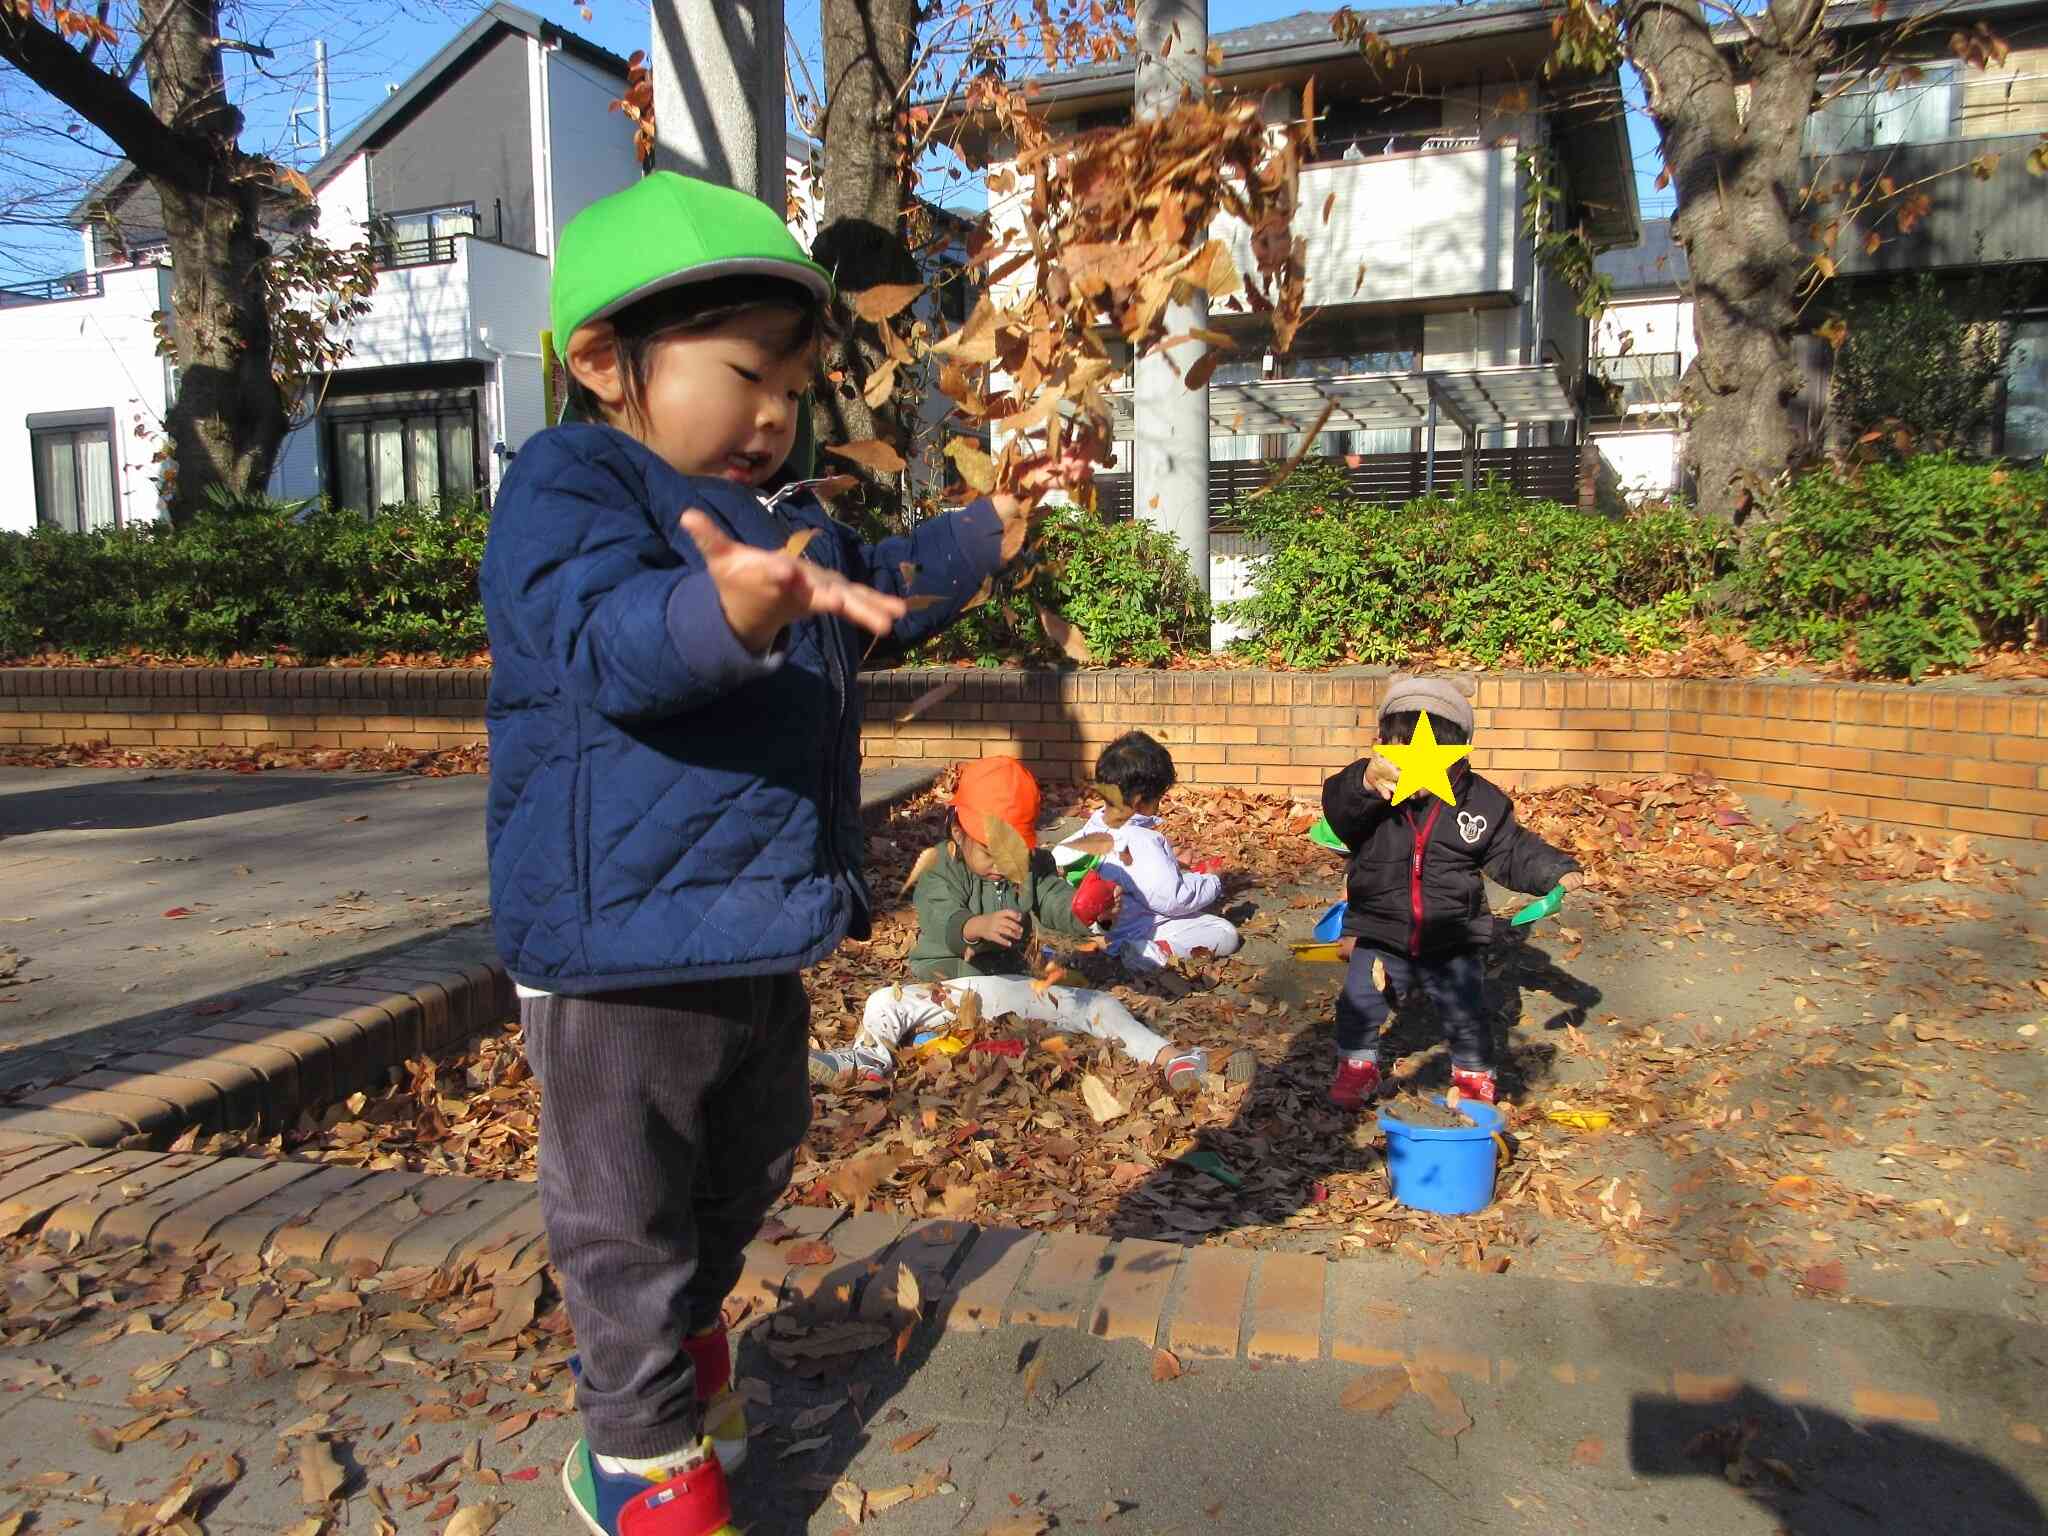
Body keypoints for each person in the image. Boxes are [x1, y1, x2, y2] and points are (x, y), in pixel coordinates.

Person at [479, 172, 1046, 1536]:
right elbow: (606, 639)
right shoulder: (573, 487)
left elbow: (873, 586)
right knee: (624, 1220)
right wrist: (718, 608)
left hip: (752, 925)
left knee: (751, 1164)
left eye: (797, 384)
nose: (779, 412)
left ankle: (686, 1362)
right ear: (609, 361)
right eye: (748, 373)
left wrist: (987, 536)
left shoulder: (780, 516)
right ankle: (643, 1461)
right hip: (617, 949)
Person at [810, 756, 1228, 1095]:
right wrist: (975, 925)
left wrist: (1092, 913)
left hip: (1011, 988)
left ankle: (1172, 1057)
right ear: (958, 831)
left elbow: (1054, 900)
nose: (1002, 866)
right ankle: (869, 1058)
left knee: (1100, 1006)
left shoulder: (1034, 867)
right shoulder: (939, 867)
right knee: (885, 1001)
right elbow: (941, 917)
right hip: (947, 990)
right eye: (991, 853)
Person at [1320, 675, 1585, 1110]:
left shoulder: (1480, 803)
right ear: (1381, 744)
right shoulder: (1371, 796)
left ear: (1458, 753)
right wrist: (1366, 782)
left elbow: (1511, 851)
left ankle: (1473, 1077)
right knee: (1360, 1003)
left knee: (1466, 1012)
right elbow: (1339, 808)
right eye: (1399, 746)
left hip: (1453, 935)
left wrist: (1555, 871)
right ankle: (1358, 1067)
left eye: (1430, 751)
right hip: (1381, 928)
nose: (1412, 761)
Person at [1056, 731, 1242, 971]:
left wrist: (1173, 863)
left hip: (1107, 921)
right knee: (1224, 932)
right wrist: (1212, 881)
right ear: (1138, 801)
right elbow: (1174, 899)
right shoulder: (1141, 840)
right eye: (1159, 798)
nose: (1160, 805)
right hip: (1139, 926)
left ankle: (1113, 943)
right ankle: (1151, 952)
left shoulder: (1096, 825)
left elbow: (1134, 873)